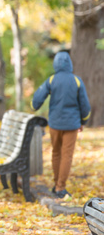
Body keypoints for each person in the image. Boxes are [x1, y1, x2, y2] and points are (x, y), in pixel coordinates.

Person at [31, 51, 91, 199]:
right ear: (70, 63)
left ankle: (56, 184)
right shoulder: (76, 81)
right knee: (66, 155)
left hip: (55, 124)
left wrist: (34, 105)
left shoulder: (51, 80)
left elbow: (36, 100)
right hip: (71, 125)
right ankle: (60, 188)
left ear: (55, 64)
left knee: (56, 153)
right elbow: (85, 106)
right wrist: (83, 121)